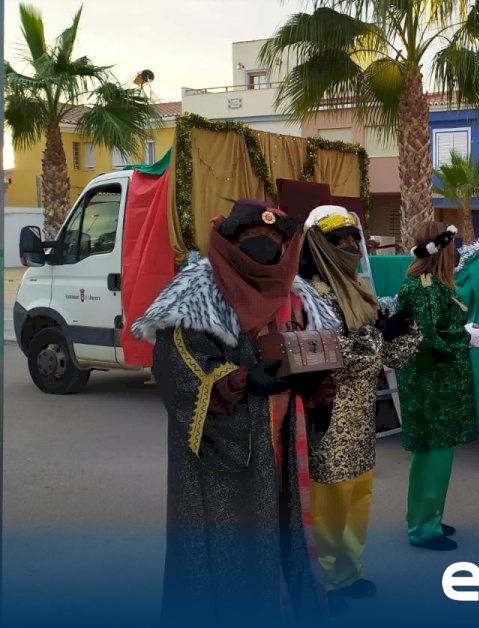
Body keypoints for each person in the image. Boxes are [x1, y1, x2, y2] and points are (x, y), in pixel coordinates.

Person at [132, 199, 340, 623]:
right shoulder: (196, 292)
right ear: (230, 240)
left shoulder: (296, 293)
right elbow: (178, 367)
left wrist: (313, 382)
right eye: (253, 237)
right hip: (224, 456)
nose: (266, 246)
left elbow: (312, 350)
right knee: (228, 551)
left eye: (275, 238)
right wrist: (240, 380)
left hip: (282, 439)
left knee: (281, 532)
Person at [298, 206, 420, 604]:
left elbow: (389, 356)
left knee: (358, 495)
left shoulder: (358, 289)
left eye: (354, 237)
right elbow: (332, 354)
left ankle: (348, 574)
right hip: (329, 412)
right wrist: (380, 335)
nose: (351, 244)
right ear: (319, 244)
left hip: (362, 413)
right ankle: (324, 583)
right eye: (340, 239)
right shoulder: (310, 294)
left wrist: (403, 329)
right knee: (329, 500)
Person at [395, 221, 479, 551]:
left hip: (436, 383)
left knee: (434, 455)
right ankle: (423, 528)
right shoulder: (425, 287)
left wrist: (461, 331)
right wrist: (464, 336)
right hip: (431, 385)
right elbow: (426, 337)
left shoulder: (431, 284)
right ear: (443, 250)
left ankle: (428, 515)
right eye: (453, 246)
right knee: (433, 456)